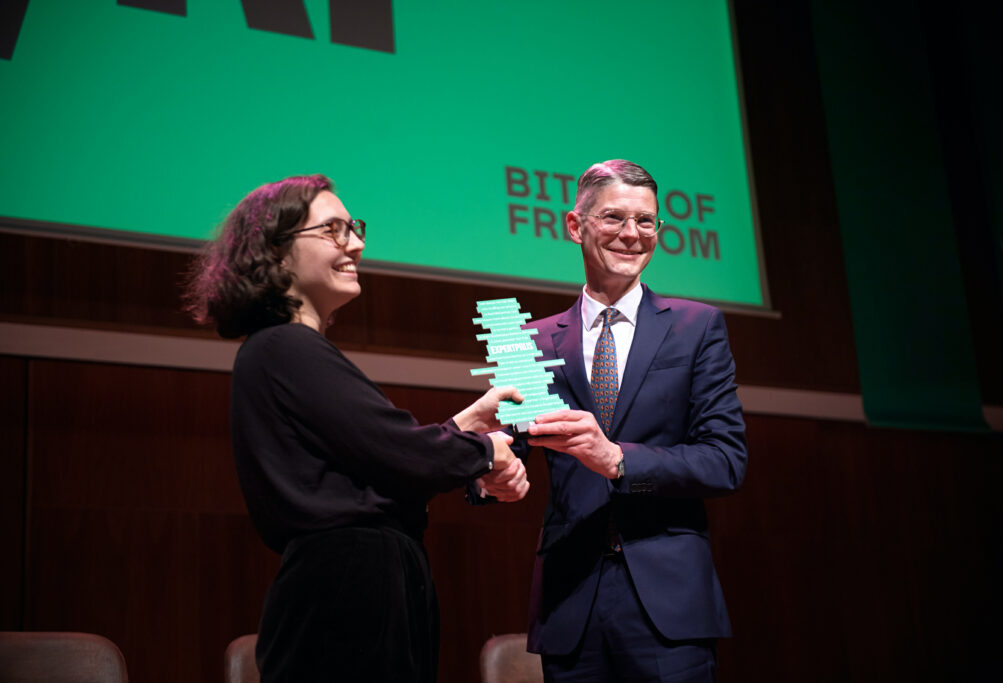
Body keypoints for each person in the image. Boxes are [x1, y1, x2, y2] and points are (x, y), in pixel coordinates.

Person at [184, 174, 529, 683]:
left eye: (354, 228)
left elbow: (374, 461)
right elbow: (393, 450)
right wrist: (484, 451)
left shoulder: (284, 350)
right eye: (333, 230)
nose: (357, 244)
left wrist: (464, 428)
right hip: (345, 593)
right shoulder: (285, 346)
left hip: (353, 586)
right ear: (277, 253)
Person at [477, 160, 747, 681]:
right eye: (614, 218)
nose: (632, 234)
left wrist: (619, 460)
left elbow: (725, 460)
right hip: (570, 600)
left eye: (645, 221)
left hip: (669, 604)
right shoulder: (529, 341)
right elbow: (507, 445)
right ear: (574, 225)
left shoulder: (697, 327)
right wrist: (487, 473)